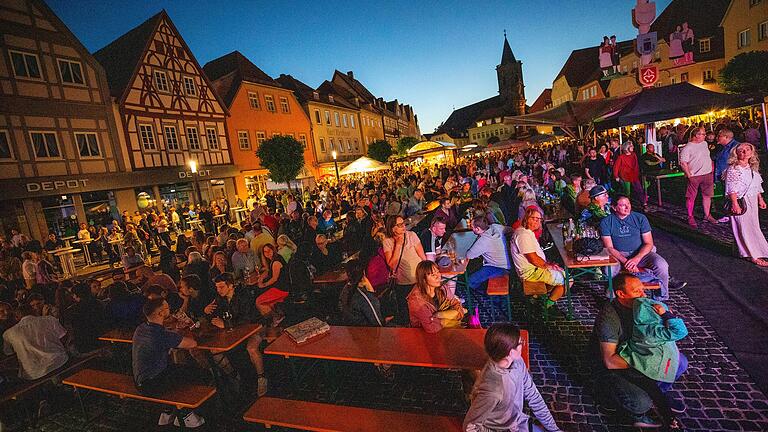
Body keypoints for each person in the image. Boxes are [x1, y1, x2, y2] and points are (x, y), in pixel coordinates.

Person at [590, 274, 685, 429]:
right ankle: (617, 402)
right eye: (637, 292)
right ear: (621, 294)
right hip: (616, 367)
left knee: (680, 363)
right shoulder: (609, 318)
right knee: (641, 403)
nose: (644, 295)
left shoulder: (642, 309)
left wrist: (665, 316)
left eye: (643, 290)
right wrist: (648, 363)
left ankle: (657, 393)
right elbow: (609, 361)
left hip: (636, 357)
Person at [463, 322, 562, 432]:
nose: (522, 345)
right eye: (520, 343)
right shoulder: (493, 390)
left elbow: (533, 396)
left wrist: (555, 429)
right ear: (510, 352)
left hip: (517, 423)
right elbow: (470, 427)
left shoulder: (518, 362)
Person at [132, 298, 204, 428]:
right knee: (200, 374)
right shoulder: (160, 334)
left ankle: (167, 412)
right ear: (160, 313)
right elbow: (192, 344)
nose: (169, 308)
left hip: (139, 380)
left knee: (177, 368)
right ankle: (185, 414)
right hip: (152, 384)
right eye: (166, 307)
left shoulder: (141, 328)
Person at [601, 196, 685, 300]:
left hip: (640, 253)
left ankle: (661, 298)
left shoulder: (640, 218)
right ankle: (613, 298)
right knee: (609, 269)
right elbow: (609, 248)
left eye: (629, 204)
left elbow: (649, 243)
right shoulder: (606, 222)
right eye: (623, 205)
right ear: (614, 207)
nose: (627, 208)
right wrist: (626, 261)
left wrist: (636, 258)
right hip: (618, 255)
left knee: (662, 265)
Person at [204, 273, 268, 397]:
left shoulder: (244, 295)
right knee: (214, 351)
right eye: (217, 287)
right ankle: (234, 376)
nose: (218, 290)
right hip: (236, 331)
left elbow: (247, 319)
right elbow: (213, 317)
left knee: (251, 348)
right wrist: (206, 311)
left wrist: (225, 324)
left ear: (231, 286)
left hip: (256, 327)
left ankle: (262, 378)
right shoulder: (219, 299)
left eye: (221, 287)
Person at [511, 208, 565, 309]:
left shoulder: (526, 231)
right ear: (527, 218)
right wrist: (548, 266)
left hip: (534, 269)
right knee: (568, 280)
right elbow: (533, 259)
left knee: (559, 273)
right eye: (534, 219)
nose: (538, 222)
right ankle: (546, 305)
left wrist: (550, 265)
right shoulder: (523, 235)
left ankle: (539, 298)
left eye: (539, 219)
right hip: (532, 272)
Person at [725, 142, 768, 267]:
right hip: (740, 201)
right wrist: (735, 204)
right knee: (743, 227)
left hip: (752, 200)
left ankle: (755, 250)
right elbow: (731, 187)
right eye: (741, 150)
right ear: (736, 153)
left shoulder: (751, 167)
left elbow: (756, 184)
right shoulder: (734, 168)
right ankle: (751, 255)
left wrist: (760, 199)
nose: (744, 152)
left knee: (753, 226)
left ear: (752, 152)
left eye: (747, 149)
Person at [3, 303, 68, 380]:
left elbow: (9, 353)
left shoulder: (8, 334)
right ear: (34, 311)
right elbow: (64, 337)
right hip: (59, 361)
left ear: (16, 317)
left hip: (34, 373)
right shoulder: (49, 319)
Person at [382, 215, 426, 326]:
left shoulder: (412, 236)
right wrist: (398, 245)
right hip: (402, 283)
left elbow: (422, 256)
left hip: (418, 279)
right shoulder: (387, 241)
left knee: (421, 308)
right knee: (405, 312)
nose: (403, 227)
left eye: (403, 224)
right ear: (392, 228)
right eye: (399, 225)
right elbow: (392, 264)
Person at [406, 260, 464, 333]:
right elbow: (431, 327)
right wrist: (450, 320)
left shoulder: (443, 288)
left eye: (438, 272)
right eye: (433, 275)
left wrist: (440, 315)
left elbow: (458, 307)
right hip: (423, 335)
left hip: (445, 331)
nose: (438, 276)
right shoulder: (417, 300)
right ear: (423, 279)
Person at [679, 127, 717, 227]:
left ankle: (707, 215)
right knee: (691, 197)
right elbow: (683, 163)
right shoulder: (687, 148)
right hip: (695, 175)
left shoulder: (704, 144)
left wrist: (711, 167)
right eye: (703, 134)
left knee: (707, 195)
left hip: (707, 174)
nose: (705, 136)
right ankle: (690, 216)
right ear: (696, 135)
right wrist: (689, 175)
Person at [465, 217, 512, 292]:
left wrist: (477, 240)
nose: (471, 228)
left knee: (469, 281)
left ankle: (486, 294)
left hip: (498, 267)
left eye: (472, 227)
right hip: (508, 262)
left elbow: (469, 255)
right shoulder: (495, 227)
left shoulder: (483, 241)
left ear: (477, 229)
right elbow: (510, 230)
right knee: (476, 266)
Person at [63, 282, 107, 355]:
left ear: (76, 295)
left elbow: (71, 331)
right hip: (102, 340)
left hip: (84, 346)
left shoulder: (71, 311)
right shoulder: (99, 304)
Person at [339, 259, 385, 326]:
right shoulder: (364, 297)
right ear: (363, 273)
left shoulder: (345, 290)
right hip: (366, 332)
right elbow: (378, 324)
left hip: (351, 331)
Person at [613, 141, 647, 207]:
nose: (633, 147)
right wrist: (616, 176)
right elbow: (616, 167)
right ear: (627, 148)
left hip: (634, 175)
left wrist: (638, 173)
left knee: (639, 189)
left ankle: (643, 201)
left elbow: (636, 165)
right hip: (625, 176)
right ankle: (626, 204)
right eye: (631, 146)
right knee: (627, 192)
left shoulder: (634, 154)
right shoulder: (621, 157)